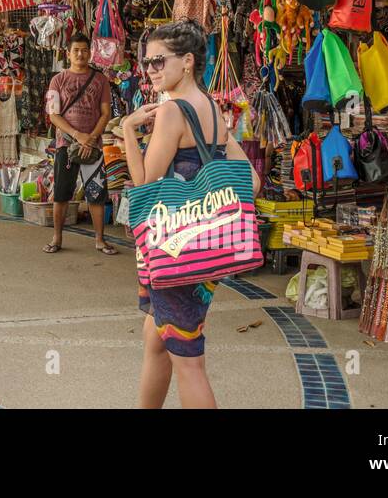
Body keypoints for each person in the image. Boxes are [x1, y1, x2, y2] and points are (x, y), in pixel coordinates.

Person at [119, 20, 260, 410]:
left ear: (187, 61)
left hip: (175, 247)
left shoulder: (172, 113)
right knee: (156, 338)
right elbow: (252, 181)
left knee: (189, 360)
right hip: (204, 247)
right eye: (146, 63)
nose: (151, 70)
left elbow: (145, 185)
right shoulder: (212, 108)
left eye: (158, 61)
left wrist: (128, 131)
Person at [43, 31, 114, 256]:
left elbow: (105, 113)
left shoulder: (100, 79)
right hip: (66, 144)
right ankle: (57, 237)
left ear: (90, 52)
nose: (80, 54)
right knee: (62, 193)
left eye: (84, 50)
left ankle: (100, 239)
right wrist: (76, 135)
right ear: (69, 53)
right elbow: (53, 115)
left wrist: (90, 138)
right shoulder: (58, 79)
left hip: (93, 145)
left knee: (96, 193)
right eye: (76, 50)